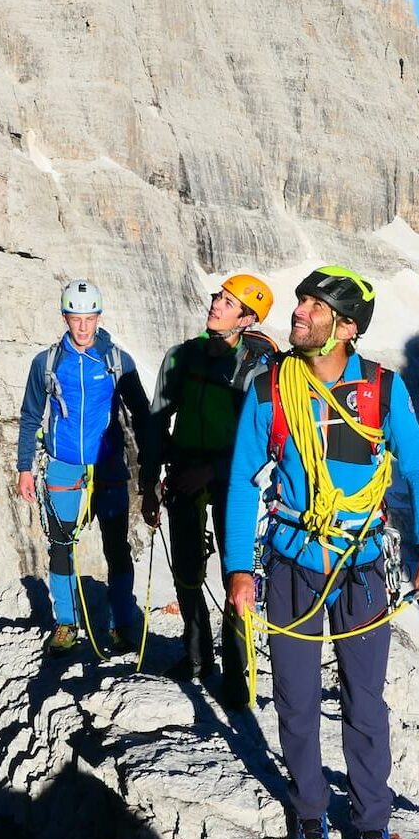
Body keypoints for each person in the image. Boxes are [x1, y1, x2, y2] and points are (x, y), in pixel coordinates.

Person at [224, 266, 419, 839]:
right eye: (301, 301)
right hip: (294, 560)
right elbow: (243, 482)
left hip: (359, 562)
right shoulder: (270, 388)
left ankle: (371, 820)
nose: (299, 311)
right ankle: (308, 808)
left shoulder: (381, 390)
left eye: (314, 306)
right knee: (295, 699)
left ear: (346, 327)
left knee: (365, 701)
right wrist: (239, 568)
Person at [141, 273, 277, 704]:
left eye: (228, 301)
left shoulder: (258, 370)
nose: (216, 304)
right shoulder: (181, 357)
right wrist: (149, 483)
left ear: (248, 317)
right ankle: (197, 655)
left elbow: (262, 439)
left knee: (235, 570)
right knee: (186, 566)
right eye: (218, 296)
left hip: (231, 482)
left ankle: (236, 672)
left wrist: (209, 470)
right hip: (183, 474)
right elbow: (157, 421)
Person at [17, 279, 151, 655]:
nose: (83, 326)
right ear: (65, 318)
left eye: (89, 318)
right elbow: (30, 416)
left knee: (116, 547)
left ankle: (121, 623)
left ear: (98, 317)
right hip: (62, 465)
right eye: (76, 318)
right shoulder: (46, 363)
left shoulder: (117, 361)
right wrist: (24, 467)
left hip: (107, 466)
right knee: (61, 548)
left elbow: (141, 413)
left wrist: (153, 465)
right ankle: (66, 622)